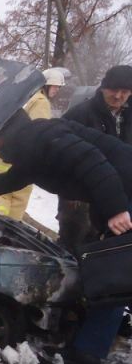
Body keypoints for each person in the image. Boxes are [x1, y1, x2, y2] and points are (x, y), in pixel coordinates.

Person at [0, 109, 132, 364]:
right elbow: (9, 182)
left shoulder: (46, 135)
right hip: (120, 197)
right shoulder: (32, 146)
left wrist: (116, 209)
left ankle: (90, 350)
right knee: (114, 277)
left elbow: (94, 163)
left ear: (4, 131)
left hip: (125, 196)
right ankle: (88, 352)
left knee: (119, 276)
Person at [58, 65, 132, 253]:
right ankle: (69, 273)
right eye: (113, 90)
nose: (118, 96)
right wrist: (69, 187)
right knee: (77, 238)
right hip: (81, 190)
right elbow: (59, 148)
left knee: (112, 242)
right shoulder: (80, 114)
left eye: (124, 91)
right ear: (103, 88)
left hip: (120, 189)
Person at [0, 68, 65, 220]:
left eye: (59, 87)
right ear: (45, 85)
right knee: (18, 199)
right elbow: (37, 132)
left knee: (0, 194)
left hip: (2, 157)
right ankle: (8, 230)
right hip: (20, 160)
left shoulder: (27, 98)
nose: (57, 90)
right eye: (55, 86)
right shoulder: (41, 102)